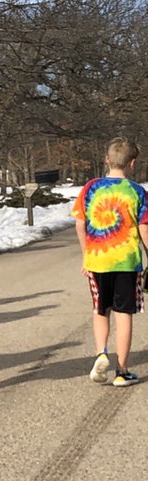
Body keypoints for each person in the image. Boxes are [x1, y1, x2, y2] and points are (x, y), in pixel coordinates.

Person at [72, 137, 148, 386]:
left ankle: (101, 353)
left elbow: (80, 223)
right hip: (127, 263)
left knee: (100, 310)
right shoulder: (137, 192)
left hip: (97, 261)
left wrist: (86, 254)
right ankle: (122, 371)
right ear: (132, 163)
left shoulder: (90, 188)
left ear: (106, 159)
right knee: (124, 314)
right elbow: (144, 228)